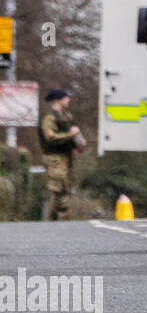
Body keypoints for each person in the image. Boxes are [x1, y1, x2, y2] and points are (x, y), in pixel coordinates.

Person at [40, 87, 83, 221]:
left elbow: (73, 133)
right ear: (58, 100)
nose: (68, 100)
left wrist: (79, 141)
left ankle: (52, 224)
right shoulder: (49, 118)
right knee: (60, 191)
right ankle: (64, 224)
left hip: (66, 158)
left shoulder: (67, 116)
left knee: (63, 190)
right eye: (66, 97)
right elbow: (50, 137)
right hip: (54, 159)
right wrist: (71, 134)